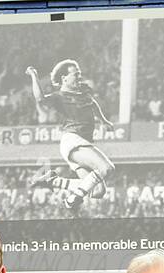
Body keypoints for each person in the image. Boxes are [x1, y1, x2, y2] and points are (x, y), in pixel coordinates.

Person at [25, 59, 116, 213]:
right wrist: (34, 76)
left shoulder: (83, 93)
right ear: (64, 78)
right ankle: (72, 199)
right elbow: (40, 99)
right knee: (106, 168)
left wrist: (104, 120)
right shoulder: (60, 96)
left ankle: (53, 181)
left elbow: (93, 104)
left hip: (82, 142)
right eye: (75, 74)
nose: (79, 77)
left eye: (79, 74)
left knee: (98, 191)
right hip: (73, 140)